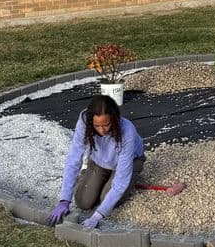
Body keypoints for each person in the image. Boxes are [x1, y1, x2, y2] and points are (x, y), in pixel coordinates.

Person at [46, 95, 146, 230]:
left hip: (130, 162)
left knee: (105, 199)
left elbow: (121, 180)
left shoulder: (127, 131)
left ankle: (128, 178)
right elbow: (73, 159)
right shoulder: (84, 122)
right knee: (83, 202)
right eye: (97, 125)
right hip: (100, 161)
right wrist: (64, 200)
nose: (102, 130)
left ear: (115, 119)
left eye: (106, 124)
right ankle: (97, 178)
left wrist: (98, 215)